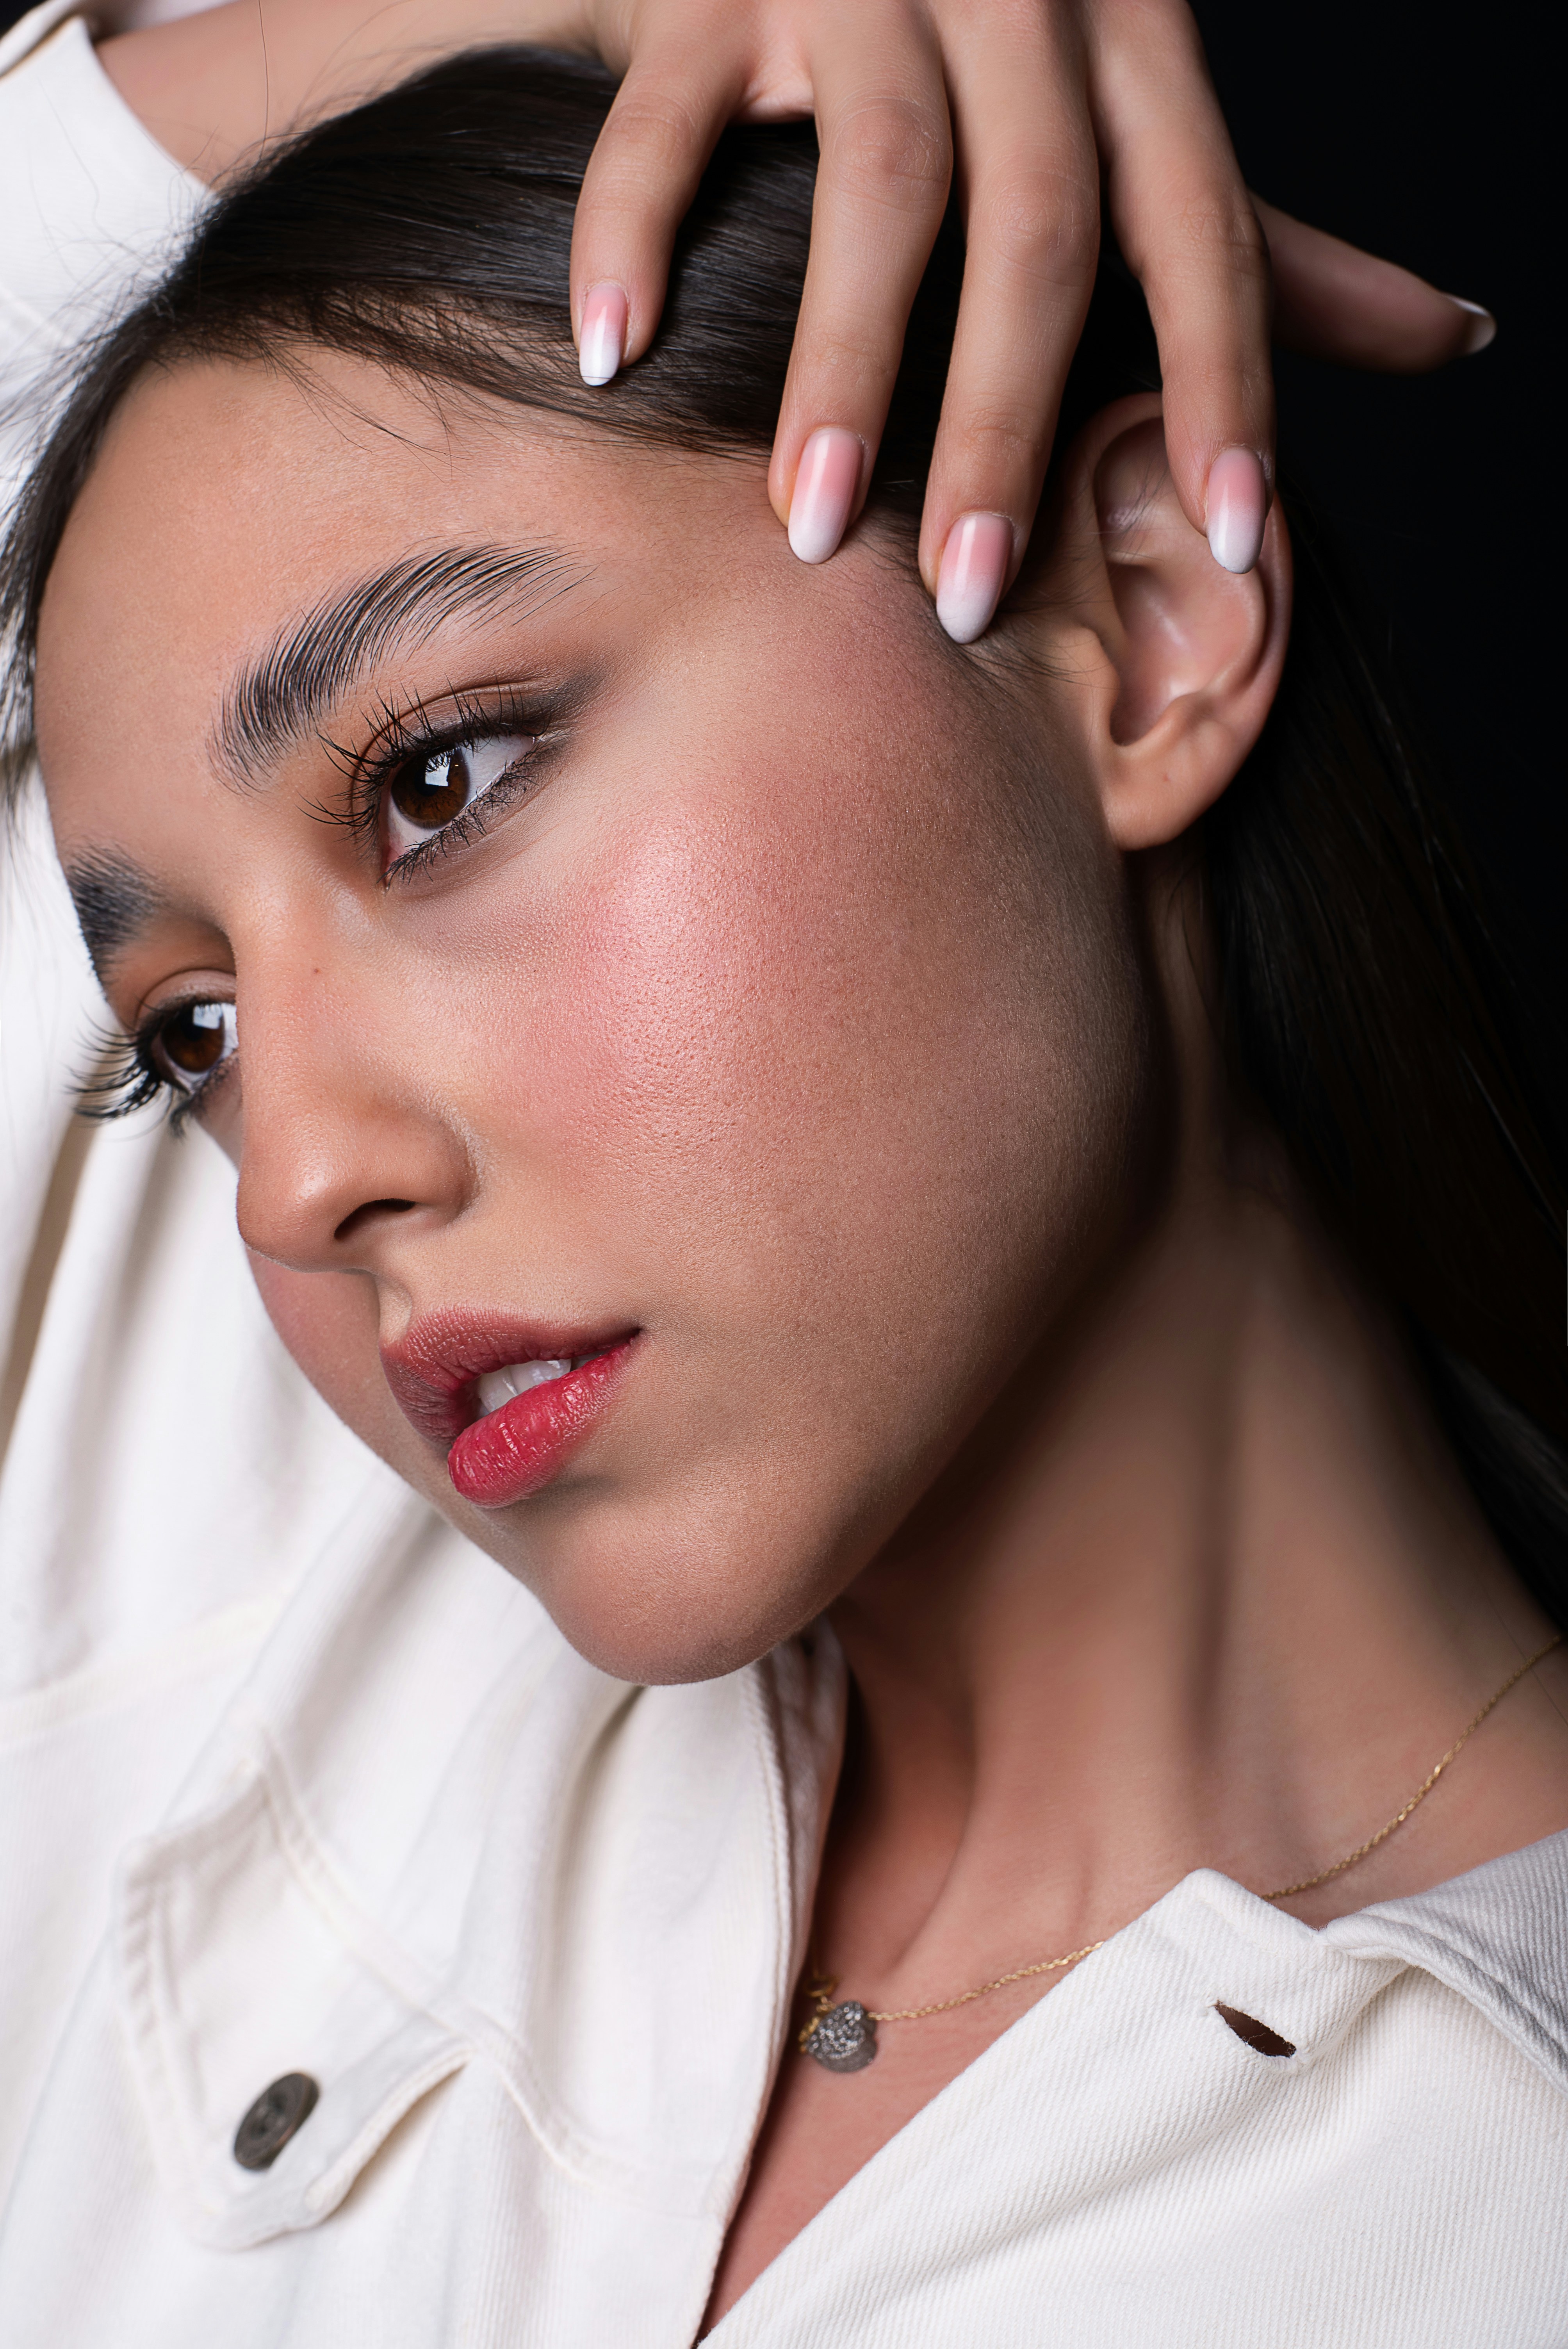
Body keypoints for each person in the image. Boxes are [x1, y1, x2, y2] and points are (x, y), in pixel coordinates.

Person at [0, 5, 1561, 2345]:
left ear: (1136, 628)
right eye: (187, 1040)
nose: (293, 1183)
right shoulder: (209, 1605)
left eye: (441, 786)